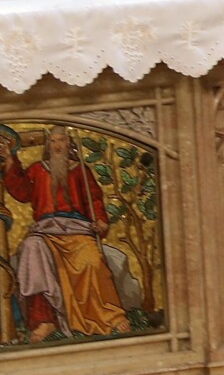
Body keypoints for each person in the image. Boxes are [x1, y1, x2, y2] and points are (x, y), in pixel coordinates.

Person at [0, 125, 132, 341]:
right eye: (53, 141)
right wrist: (10, 160)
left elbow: (94, 199)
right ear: (48, 146)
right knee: (31, 250)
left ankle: (110, 316)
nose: (57, 146)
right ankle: (44, 321)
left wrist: (100, 220)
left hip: (77, 228)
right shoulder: (38, 169)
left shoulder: (80, 170)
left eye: (61, 140)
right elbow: (22, 192)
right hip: (45, 230)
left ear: (69, 143)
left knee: (91, 261)